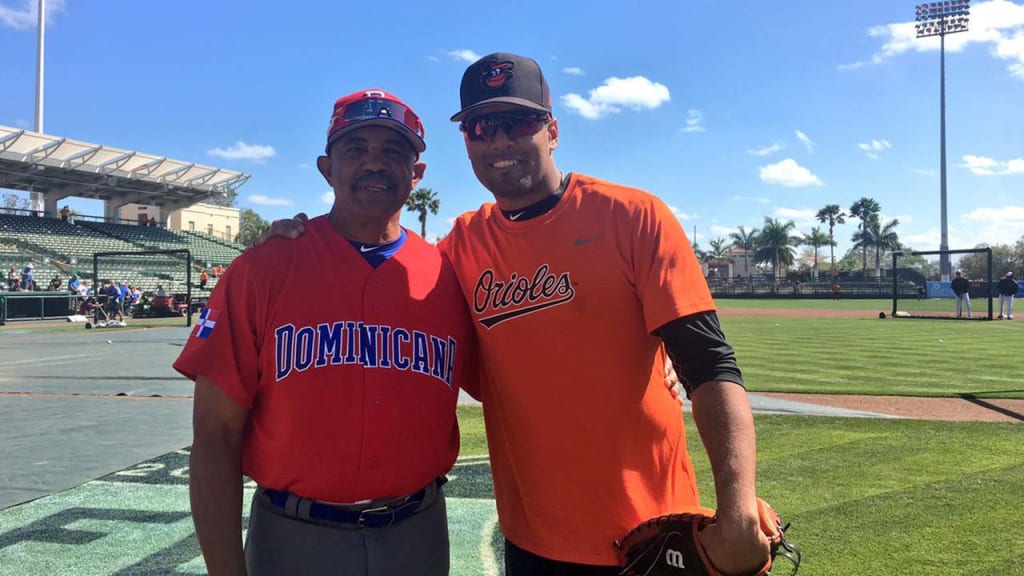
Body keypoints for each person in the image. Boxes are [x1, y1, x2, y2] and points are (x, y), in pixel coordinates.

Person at [263, 53, 769, 575]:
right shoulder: (458, 248)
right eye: (482, 126)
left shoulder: (633, 216)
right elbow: (378, 294)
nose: (499, 141)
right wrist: (297, 242)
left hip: (650, 534)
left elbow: (710, 366)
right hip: (531, 540)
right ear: (467, 142)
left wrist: (737, 507)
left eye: (519, 122)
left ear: (551, 130)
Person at [173, 88, 477, 576]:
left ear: (416, 174)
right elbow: (214, 435)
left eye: (393, 151)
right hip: (293, 537)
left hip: (417, 534)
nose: (374, 164)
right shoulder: (264, 267)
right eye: (356, 150)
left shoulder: (448, 275)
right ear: (326, 167)